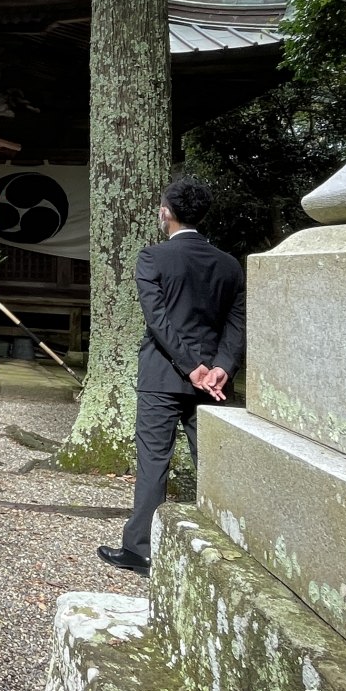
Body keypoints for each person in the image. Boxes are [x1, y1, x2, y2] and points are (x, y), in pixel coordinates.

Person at [98, 177, 246, 577]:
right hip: (214, 384)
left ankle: (141, 550)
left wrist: (190, 366)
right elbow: (237, 324)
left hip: (163, 375)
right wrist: (221, 367)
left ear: (166, 213)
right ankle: (228, 545)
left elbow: (158, 320)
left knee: (153, 461)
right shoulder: (229, 265)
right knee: (213, 463)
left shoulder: (153, 258)